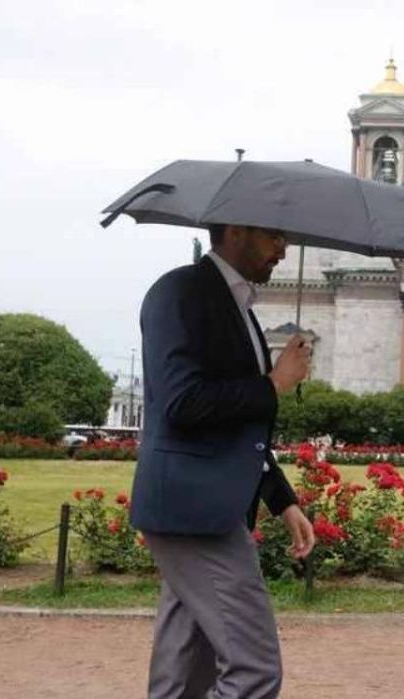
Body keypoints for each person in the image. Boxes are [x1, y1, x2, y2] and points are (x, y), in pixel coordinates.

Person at [130, 223, 315, 699]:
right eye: (275, 237)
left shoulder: (238, 307)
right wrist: (273, 384)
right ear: (237, 230)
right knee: (253, 670)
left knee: (184, 674)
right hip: (193, 511)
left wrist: (282, 500)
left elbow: (237, 430)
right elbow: (182, 404)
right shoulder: (182, 292)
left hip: (203, 505)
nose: (284, 249)